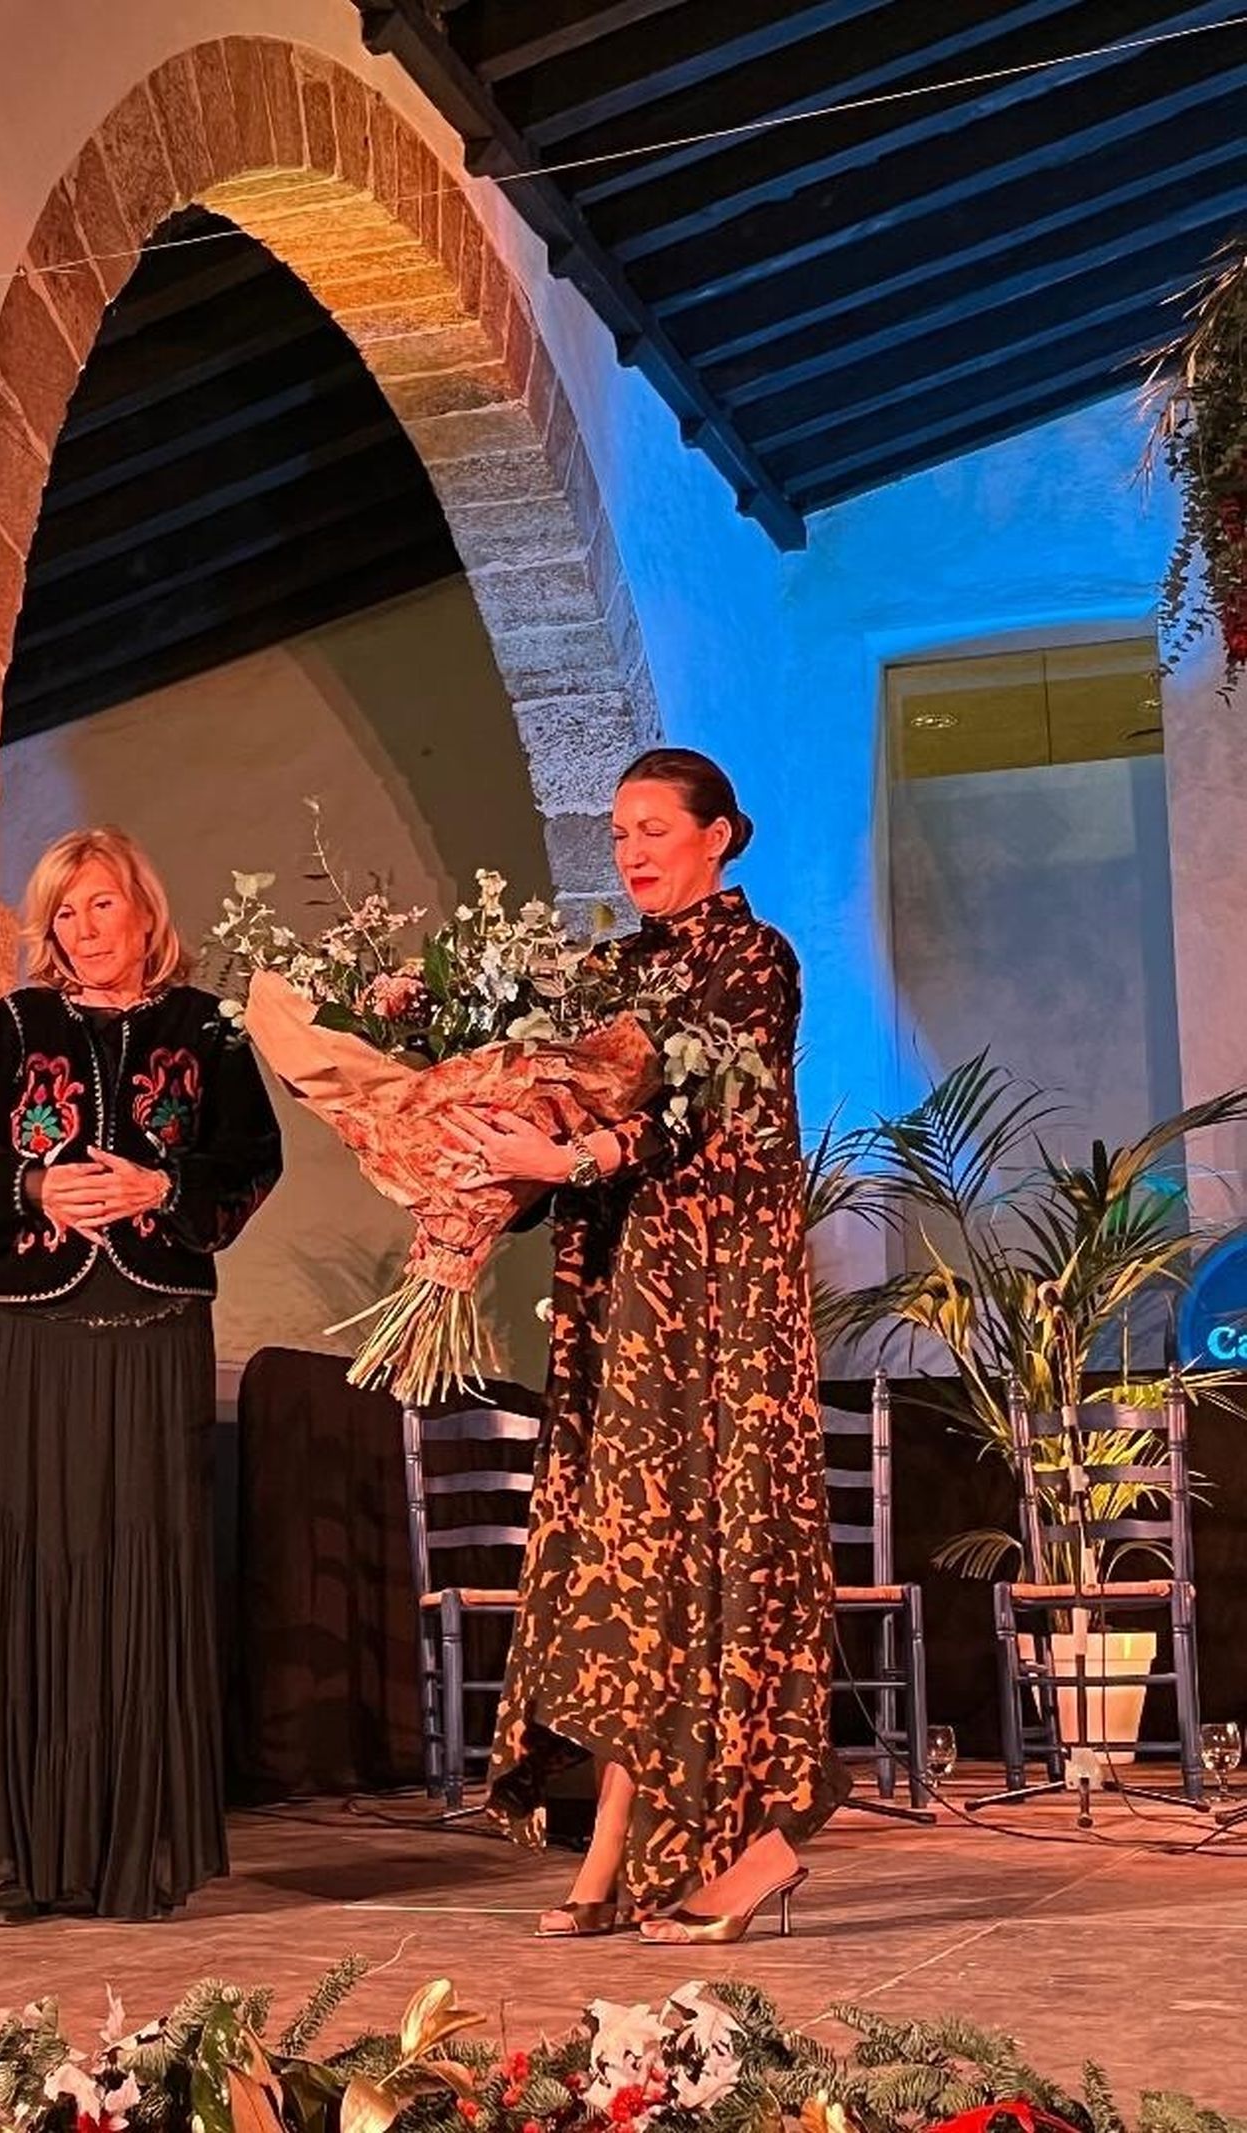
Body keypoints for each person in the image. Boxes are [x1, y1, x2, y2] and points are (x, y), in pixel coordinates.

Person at [452, 748, 842, 1944]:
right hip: (625, 1295)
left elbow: (703, 1117)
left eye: (652, 828)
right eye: (618, 832)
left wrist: (569, 1157)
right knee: (633, 1567)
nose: (629, 851)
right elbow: (564, 1116)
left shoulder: (754, 959)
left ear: (716, 834)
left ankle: (756, 1843)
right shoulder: (607, 973)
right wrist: (474, 1172)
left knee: (714, 1553)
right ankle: (614, 1847)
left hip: (718, 1298)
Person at [0, 826, 282, 1923]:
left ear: (144, 911)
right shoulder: (18, 1023)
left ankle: (140, 1855)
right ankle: (37, 1858)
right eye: (64, 912)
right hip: (41, 1327)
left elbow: (252, 1158)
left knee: (145, 1567)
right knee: (41, 1563)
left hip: (157, 1322)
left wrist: (160, 1187)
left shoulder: (206, 1025)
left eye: (100, 904)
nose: (81, 929)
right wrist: (33, 1190)